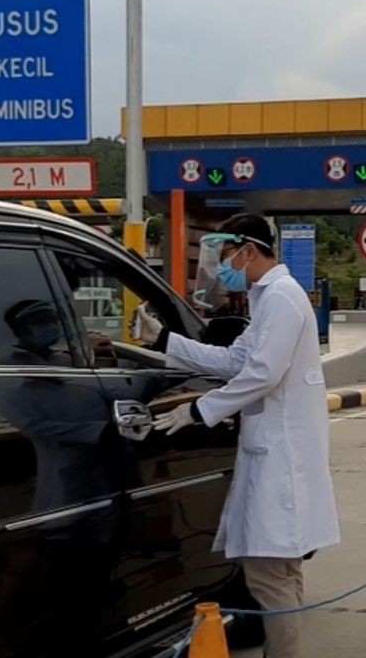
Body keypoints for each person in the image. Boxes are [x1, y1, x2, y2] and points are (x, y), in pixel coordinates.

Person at [134, 213, 339, 658]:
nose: (223, 267)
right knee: (278, 575)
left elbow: (262, 374)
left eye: (227, 256)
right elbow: (234, 361)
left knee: (269, 576)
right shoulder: (268, 298)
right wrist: (166, 340)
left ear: (249, 250)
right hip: (273, 454)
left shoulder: (282, 297)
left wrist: (198, 409)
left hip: (280, 461)